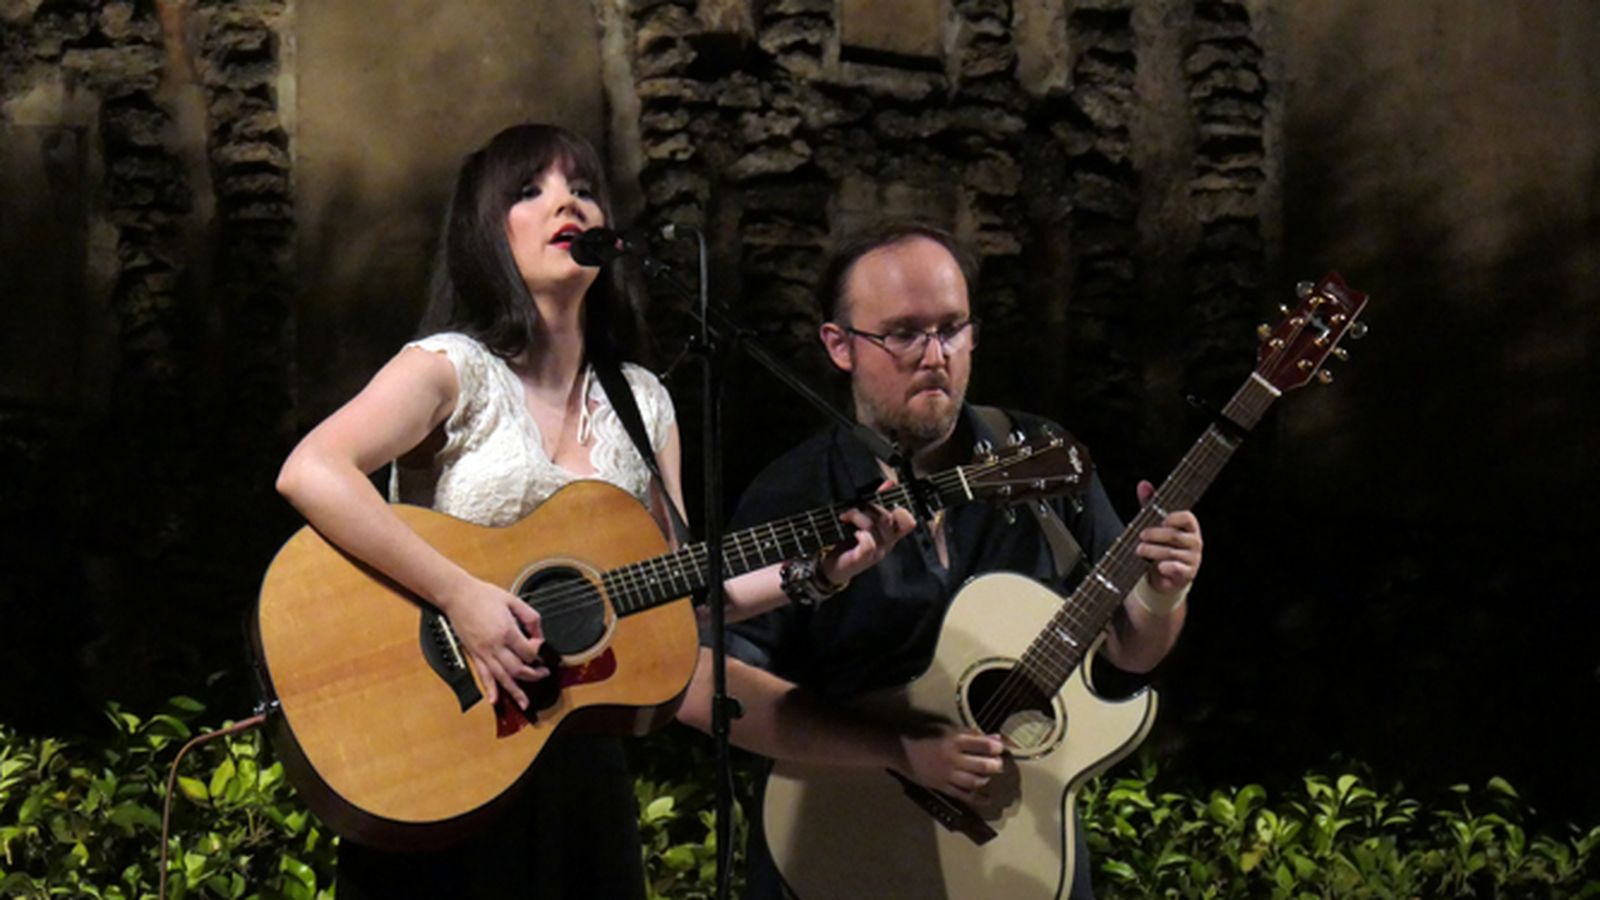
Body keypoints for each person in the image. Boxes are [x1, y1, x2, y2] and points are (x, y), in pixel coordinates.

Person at [274, 124, 912, 899]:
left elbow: (683, 591)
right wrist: (462, 596)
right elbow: (311, 471)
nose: (564, 203)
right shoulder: (449, 370)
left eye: (581, 187)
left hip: (577, 762)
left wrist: (817, 573)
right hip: (449, 739)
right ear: (486, 229)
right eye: (530, 190)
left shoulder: (642, 402)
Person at [676, 222, 1204, 899]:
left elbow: (1130, 652)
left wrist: (1162, 593)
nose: (935, 354)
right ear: (839, 346)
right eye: (903, 333)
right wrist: (895, 750)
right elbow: (705, 684)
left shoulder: (1039, 458)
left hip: (1014, 859)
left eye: (953, 328)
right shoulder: (796, 493)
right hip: (841, 855)